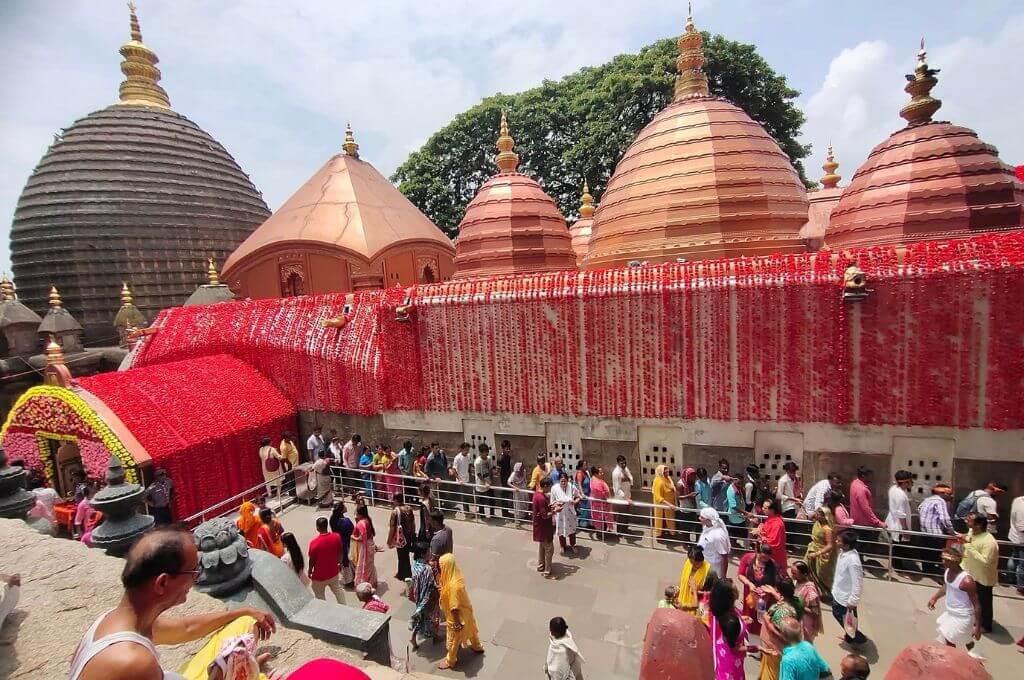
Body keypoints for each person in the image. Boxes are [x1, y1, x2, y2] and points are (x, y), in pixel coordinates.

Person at [68, 526, 275, 680]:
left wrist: (242, 611)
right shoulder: (133, 662)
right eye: (194, 572)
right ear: (163, 582)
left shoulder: (118, 620)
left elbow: (186, 628)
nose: (197, 579)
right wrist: (226, 675)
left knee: (244, 622)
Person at [927, 544, 982, 659]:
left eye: (946, 560)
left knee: (948, 639)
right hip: (951, 613)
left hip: (963, 617)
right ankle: (976, 657)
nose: (943, 562)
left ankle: (950, 662)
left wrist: (977, 626)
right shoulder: (947, 571)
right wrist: (934, 598)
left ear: (956, 561)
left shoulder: (967, 581)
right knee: (966, 639)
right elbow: (946, 586)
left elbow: (977, 605)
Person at [437, 553, 485, 670]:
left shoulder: (453, 586)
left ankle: (450, 660)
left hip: (458, 617)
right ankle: (477, 646)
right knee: (472, 630)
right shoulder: (456, 576)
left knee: (454, 640)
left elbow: (454, 607)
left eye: (441, 565)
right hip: (466, 612)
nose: (440, 567)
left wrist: (457, 622)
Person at [961, 513, 997, 634]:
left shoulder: (989, 542)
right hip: (970, 573)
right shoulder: (972, 532)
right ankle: (975, 620)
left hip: (983, 578)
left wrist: (969, 547)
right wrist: (964, 538)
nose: (966, 522)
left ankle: (985, 626)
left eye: (970, 520)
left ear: (979, 525)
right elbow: (970, 539)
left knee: (984, 602)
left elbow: (986, 561)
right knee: (972, 600)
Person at [832, 530, 867, 646]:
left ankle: (857, 638)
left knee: (846, 620)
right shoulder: (843, 552)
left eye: (839, 541)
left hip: (845, 599)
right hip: (839, 593)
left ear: (846, 545)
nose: (836, 542)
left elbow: (858, 583)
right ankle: (850, 637)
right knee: (847, 619)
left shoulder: (853, 561)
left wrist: (853, 601)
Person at [709, 578, 748, 680]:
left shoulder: (724, 611)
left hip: (730, 657)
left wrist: (741, 619)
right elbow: (733, 648)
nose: (738, 590)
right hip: (730, 663)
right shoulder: (730, 621)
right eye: (734, 589)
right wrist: (755, 648)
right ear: (730, 597)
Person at [736, 543, 777, 636]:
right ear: (757, 552)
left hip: (765, 599)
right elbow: (740, 575)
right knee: (749, 617)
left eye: (767, 559)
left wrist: (768, 591)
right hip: (750, 595)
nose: (764, 561)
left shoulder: (772, 564)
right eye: (762, 558)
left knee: (762, 620)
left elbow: (776, 583)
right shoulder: (747, 558)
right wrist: (749, 583)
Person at [917, 483, 956, 575]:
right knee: (936, 556)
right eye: (949, 494)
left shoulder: (927, 500)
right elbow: (945, 519)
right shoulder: (940, 501)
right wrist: (952, 532)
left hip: (924, 533)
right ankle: (937, 575)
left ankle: (927, 571)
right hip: (936, 535)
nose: (951, 496)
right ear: (943, 493)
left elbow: (919, 509)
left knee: (926, 555)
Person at [408, 541, 441, 650]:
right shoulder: (427, 569)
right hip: (427, 598)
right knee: (433, 617)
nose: (431, 553)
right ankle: (435, 636)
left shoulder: (415, 564)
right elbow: (432, 586)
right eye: (429, 551)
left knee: (420, 617)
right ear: (423, 554)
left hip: (418, 596)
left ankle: (413, 637)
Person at [885, 469, 917, 573]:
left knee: (895, 547)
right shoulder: (901, 495)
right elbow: (901, 514)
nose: (912, 483)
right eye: (910, 481)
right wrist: (905, 530)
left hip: (892, 523)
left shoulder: (893, 488)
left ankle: (896, 566)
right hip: (898, 526)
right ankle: (899, 570)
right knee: (898, 549)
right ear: (905, 482)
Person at [308, 516, 345, 603]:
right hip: (333, 572)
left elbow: (311, 560)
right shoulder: (337, 537)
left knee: (319, 596)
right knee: (338, 590)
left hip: (319, 576)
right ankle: (344, 606)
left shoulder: (314, 543)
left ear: (317, 527)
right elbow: (340, 551)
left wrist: (310, 570)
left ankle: (324, 611)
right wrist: (339, 563)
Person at [849, 468, 885, 555]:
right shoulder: (861, 489)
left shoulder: (854, 483)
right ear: (863, 476)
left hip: (857, 520)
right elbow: (866, 508)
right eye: (870, 476)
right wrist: (877, 522)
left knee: (859, 544)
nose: (871, 478)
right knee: (861, 544)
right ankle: (857, 562)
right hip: (863, 522)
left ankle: (859, 560)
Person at [677, 544, 716, 622]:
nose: (693, 565)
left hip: (700, 607)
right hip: (683, 604)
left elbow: (715, 592)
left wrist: (697, 591)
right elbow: (683, 580)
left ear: (701, 560)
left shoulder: (710, 572)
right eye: (691, 562)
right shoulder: (688, 562)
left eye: (696, 564)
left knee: (698, 625)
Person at [804, 505, 836, 596]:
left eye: (818, 514)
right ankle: (810, 591)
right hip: (811, 550)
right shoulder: (817, 523)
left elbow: (830, 545)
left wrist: (817, 553)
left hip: (821, 554)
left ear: (824, 516)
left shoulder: (827, 530)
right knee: (806, 569)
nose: (816, 515)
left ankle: (823, 593)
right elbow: (810, 517)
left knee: (819, 575)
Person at [789, 561, 823, 642]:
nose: (792, 575)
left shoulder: (810, 589)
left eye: (794, 573)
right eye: (791, 572)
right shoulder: (795, 582)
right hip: (796, 620)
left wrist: (798, 605)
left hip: (805, 623)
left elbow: (815, 611)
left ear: (804, 574)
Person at [388, 492, 417, 580]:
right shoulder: (409, 508)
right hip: (409, 535)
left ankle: (404, 574)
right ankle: (403, 572)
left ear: (396, 500)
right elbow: (413, 523)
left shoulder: (395, 512)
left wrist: (389, 541)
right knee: (406, 555)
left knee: (401, 556)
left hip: (400, 537)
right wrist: (413, 534)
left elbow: (392, 528)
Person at [552, 473, 582, 554]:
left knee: (572, 530)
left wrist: (575, 502)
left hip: (570, 512)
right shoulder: (554, 488)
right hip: (560, 513)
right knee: (561, 530)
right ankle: (562, 545)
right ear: (559, 481)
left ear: (567, 480)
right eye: (561, 481)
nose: (563, 483)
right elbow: (552, 501)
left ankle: (573, 544)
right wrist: (557, 505)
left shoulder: (572, 487)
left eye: (565, 481)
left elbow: (579, 496)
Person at [534, 477, 558, 578]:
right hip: (544, 527)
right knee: (549, 549)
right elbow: (545, 515)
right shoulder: (541, 498)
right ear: (545, 486)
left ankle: (541, 565)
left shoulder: (537, 495)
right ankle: (547, 572)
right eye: (549, 486)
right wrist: (555, 511)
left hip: (539, 526)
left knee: (542, 547)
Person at [352, 504, 381, 589]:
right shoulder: (368, 519)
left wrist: (353, 537)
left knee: (363, 565)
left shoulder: (361, 523)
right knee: (370, 565)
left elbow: (361, 538)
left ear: (359, 513)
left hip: (365, 547)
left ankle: (364, 584)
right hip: (371, 544)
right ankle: (372, 582)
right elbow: (372, 533)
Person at [698, 507, 732, 578]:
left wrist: (723, 577)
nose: (699, 518)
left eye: (702, 517)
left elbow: (724, 557)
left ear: (708, 519)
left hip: (714, 572)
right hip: (703, 568)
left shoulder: (718, 535)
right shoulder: (706, 527)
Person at [756, 498, 788, 572]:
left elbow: (773, 542)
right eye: (763, 507)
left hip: (774, 558)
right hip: (768, 557)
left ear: (772, 510)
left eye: (765, 508)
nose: (762, 509)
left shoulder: (777, 523)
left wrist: (760, 535)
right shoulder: (771, 519)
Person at [329, 501, 355, 588]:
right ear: (341, 510)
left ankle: (347, 579)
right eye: (344, 506)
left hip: (338, 543)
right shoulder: (346, 521)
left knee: (343, 562)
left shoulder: (332, 520)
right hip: (347, 543)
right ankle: (350, 580)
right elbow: (353, 532)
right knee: (349, 561)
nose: (346, 507)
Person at [588, 466, 615, 539]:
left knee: (601, 521)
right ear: (596, 474)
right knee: (601, 521)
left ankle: (602, 534)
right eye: (600, 472)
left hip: (600, 505)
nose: (603, 473)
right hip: (600, 505)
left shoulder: (595, 480)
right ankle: (601, 536)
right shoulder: (596, 482)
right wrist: (607, 497)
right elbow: (601, 494)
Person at [611, 455, 636, 536]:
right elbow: (617, 489)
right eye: (622, 463)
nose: (624, 465)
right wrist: (625, 498)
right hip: (621, 498)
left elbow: (630, 478)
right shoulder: (616, 473)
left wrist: (627, 479)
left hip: (628, 495)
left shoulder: (625, 469)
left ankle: (625, 529)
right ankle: (620, 531)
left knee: (626, 514)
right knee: (621, 515)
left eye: (625, 463)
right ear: (618, 463)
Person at [652, 464, 677, 541]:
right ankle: (660, 535)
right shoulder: (658, 481)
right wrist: (669, 504)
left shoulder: (668, 478)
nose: (667, 472)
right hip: (663, 506)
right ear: (660, 472)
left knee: (669, 519)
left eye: (667, 470)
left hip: (669, 506)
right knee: (662, 520)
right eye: (665, 471)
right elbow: (658, 497)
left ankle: (670, 533)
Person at [677, 466, 699, 543]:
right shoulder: (681, 484)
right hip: (684, 510)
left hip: (692, 508)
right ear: (687, 475)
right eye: (692, 476)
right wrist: (689, 496)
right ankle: (685, 542)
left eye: (694, 475)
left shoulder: (692, 483)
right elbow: (678, 497)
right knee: (685, 528)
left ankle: (688, 541)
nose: (694, 477)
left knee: (690, 527)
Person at [474, 443, 497, 519]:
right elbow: (478, 474)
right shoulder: (478, 462)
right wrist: (485, 482)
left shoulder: (489, 458)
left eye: (487, 452)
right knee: (481, 501)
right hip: (481, 484)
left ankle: (492, 514)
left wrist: (491, 479)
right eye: (484, 452)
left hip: (489, 482)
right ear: (480, 452)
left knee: (492, 499)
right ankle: (482, 516)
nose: (486, 454)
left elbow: (490, 469)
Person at [725, 476, 748, 547]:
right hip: (735, 517)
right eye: (739, 483)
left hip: (740, 517)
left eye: (741, 483)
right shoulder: (731, 491)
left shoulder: (738, 488)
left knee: (738, 533)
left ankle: (736, 547)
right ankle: (734, 548)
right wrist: (745, 513)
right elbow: (733, 506)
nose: (740, 484)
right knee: (734, 534)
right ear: (734, 481)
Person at [1010, 493, 1024, 596]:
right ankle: (1021, 587)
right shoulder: (1022, 506)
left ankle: (1010, 579)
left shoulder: (1017, 499)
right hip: (1021, 539)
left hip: (1014, 537)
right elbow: (1022, 527)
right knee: (1022, 564)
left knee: (1014, 558)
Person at [497, 440, 514, 518]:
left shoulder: (508, 457)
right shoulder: (500, 459)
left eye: (509, 448)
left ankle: (506, 511)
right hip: (503, 480)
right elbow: (498, 471)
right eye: (506, 448)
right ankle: (504, 512)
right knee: (504, 496)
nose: (508, 450)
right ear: (503, 449)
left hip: (508, 479)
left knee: (507, 495)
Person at [574, 460, 591, 529]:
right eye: (585, 465)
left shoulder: (586, 473)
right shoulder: (580, 473)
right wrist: (582, 494)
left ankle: (586, 524)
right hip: (583, 496)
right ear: (581, 466)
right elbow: (579, 484)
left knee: (586, 510)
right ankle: (582, 525)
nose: (587, 466)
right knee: (583, 510)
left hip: (587, 494)